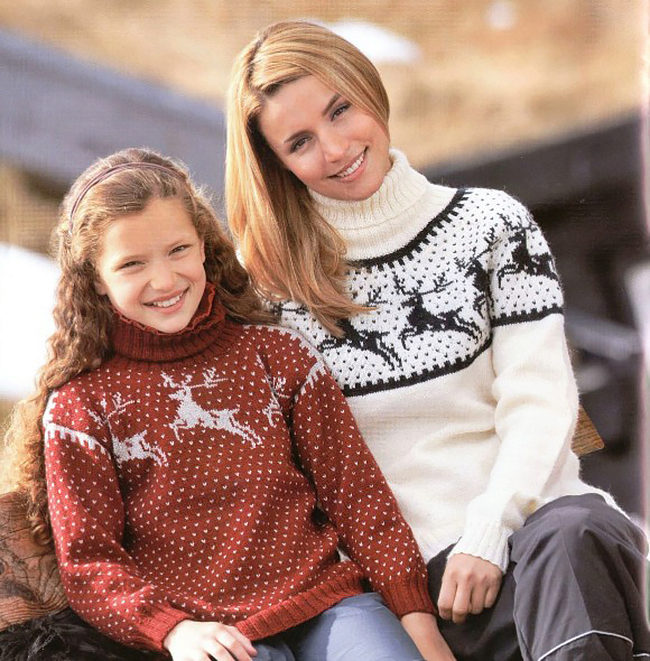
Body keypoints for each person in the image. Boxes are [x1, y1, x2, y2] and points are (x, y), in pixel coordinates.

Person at [225, 19, 650, 661]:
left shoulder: (492, 224)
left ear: (370, 90)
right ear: (275, 164)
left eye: (341, 110)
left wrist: (489, 531)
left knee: (577, 534)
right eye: (301, 142)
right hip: (404, 589)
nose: (336, 148)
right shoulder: (264, 289)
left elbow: (538, 402)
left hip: (538, 535)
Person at [2, 147, 456, 661]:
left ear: (204, 245)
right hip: (208, 637)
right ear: (95, 280)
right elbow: (89, 564)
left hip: (331, 607)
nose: (164, 280)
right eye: (131, 264)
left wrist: (416, 618)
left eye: (178, 250)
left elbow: (359, 499)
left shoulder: (278, 356)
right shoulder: (80, 409)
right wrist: (172, 631)